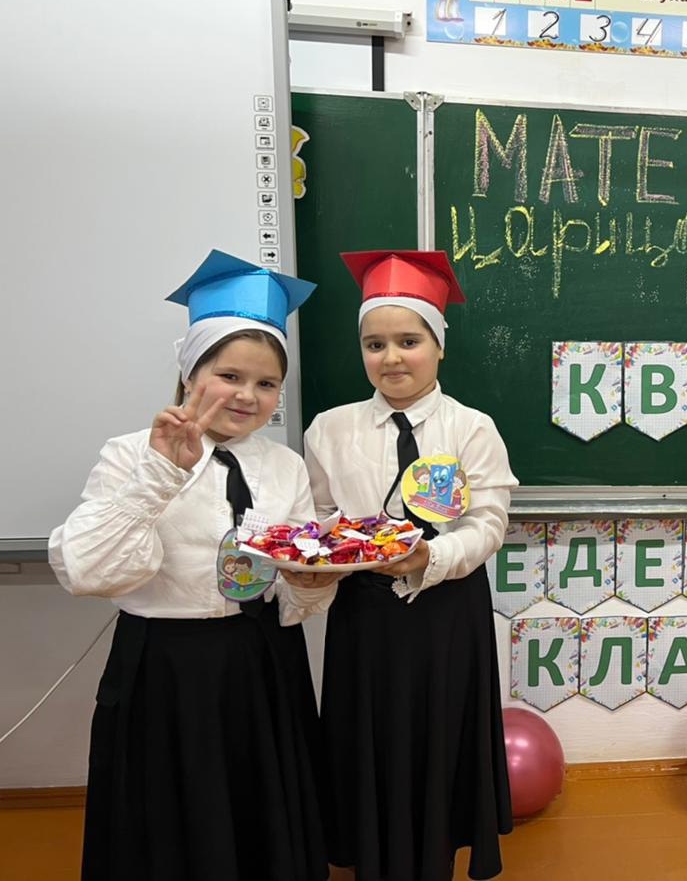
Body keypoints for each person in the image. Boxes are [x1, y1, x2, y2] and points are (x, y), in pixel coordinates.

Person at [49, 250, 338, 881]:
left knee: (261, 818)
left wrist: (310, 583)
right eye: (229, 375)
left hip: (263, 662)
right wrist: (161, 474)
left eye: (266, 384)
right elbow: (89, 572)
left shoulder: (284, 466)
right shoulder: (132, 454)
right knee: (172, 820)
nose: (247, 396)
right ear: (190, 372)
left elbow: (292, 592)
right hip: (166, 665)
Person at [305, 249, 518, 881]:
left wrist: (432, 556)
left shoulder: (472, 428)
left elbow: (489, 523)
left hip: (447, 609)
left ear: (439, 346)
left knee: (440, 731)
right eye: (374, 344)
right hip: (364, 614)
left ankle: (434, 852)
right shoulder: (329, 429)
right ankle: (373, 851)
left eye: (409, 341)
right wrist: (334, 549)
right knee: (367, 733)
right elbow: (318, 516)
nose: (391, 358)